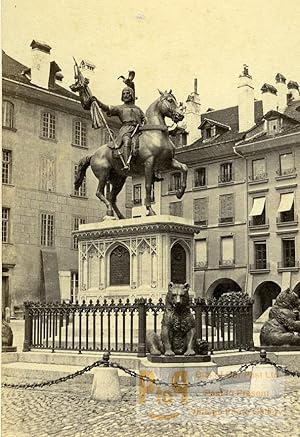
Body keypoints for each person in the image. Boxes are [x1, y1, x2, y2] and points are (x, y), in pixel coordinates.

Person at [81, 82, 146, 170]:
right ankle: (127, 163)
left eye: (127, 93)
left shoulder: (138, 109)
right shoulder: (119, 108)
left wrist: (144, 121)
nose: (125, 95)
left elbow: (144, 118)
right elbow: (107, 108)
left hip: (138, 130)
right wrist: (98, 101)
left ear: (131, 95)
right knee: (127, 141)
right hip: (126, 130)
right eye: (124, 94)